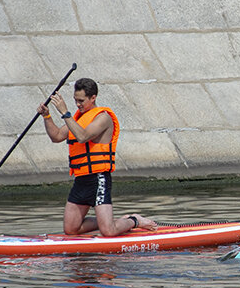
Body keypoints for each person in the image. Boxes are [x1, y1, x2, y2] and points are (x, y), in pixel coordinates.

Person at [38, 77, 157, 236]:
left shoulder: (103, 117)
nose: (78, 104)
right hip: (82, 179)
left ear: (93, 98)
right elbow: (57, 136)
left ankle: (134, 220)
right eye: (75, 100)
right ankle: (110, 221)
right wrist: (47, 117)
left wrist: (65, 112)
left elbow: (83, 136)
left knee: (108, 231)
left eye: (81, 100)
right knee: (71, 229)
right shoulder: (78, 118)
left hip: (98, 177)